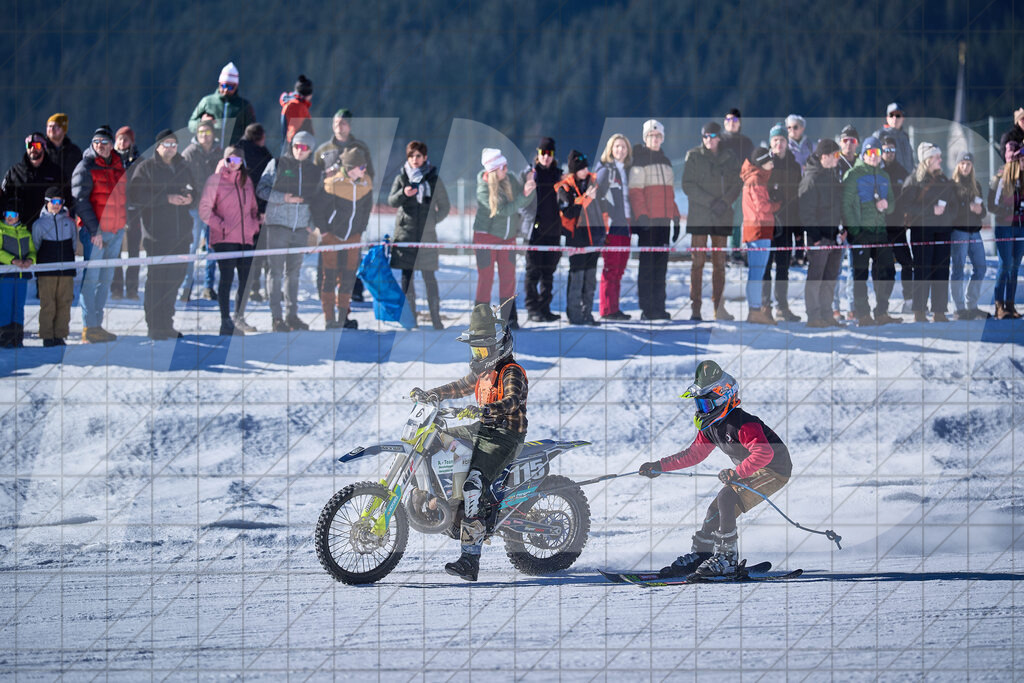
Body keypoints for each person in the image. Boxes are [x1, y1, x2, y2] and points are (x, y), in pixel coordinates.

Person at [639, 360, 792, 578]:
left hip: (774, 470)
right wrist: (659, 466)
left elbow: (764, 453)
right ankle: (702, 555)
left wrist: (736, 473)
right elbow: (693, 454)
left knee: (726, 497)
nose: (701, 410)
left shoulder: (742, 423)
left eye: (705, 405)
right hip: (752, 470)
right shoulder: (710, 428)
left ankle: (727, 559)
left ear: (723, 400)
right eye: (698, 405)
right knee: (715, 512)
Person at [409, 303, 528, 582]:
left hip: (504, 435)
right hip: (481, 429)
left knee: (474, 484)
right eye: (475, 350)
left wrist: (487, 410)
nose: (478, 356)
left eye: (483, 351)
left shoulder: (511, 371)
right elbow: (459, 386)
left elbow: (512, 400)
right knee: (432, 442)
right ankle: (439, 502)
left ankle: (470, 559)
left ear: (499, 346)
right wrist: (431, 394)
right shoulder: (482, 372)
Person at [127, 129, 194, 340]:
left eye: (174, 144)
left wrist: (190, 197)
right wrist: (166, 198)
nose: (171, 148)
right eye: (167, 144)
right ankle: (155, 326)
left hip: (182, 234)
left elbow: (195, 188)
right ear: (158, 146)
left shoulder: (183, 166)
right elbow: (136, 195)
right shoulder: (146, 168)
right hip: (157, 235)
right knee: (157, 282)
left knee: (174, 281)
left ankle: (167, 324)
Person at [257, 130, 320, 332]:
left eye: (304, 147)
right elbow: (261, 189)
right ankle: (276, 318)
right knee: (275, 273)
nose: (299, 150)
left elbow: (317, 200)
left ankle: (292, 316)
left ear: (310, 150)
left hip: (301, 229)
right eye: (296, 146)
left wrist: (312, 225)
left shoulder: (314, 171)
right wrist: (283, 198)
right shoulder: (278, 164)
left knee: (293, 274)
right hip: (277, 226)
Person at [387, 141, 450, 330]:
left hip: (427, 236)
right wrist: (404, 193)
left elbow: (445, 206)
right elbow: (392, 201)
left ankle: (436, 318)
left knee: (429, 278)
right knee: (407, 279)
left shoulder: (434, 180)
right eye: (411, 156)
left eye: (418, 156)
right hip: (405, 235)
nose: (414, 159)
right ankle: (411, 318)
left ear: (425, 158)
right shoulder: (401, 178)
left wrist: (432, 221)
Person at [72, 126, 127, 343]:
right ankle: (89, 326)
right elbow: (80, 201)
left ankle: (98, 325)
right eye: (96, 142)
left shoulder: (118, 165)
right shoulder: (85, 166)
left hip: (116, 231)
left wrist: (124, 222)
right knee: (91, 279)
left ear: (111, 145)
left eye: (104, 142)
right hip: (95, 233)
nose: (100, 146)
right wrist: (94, 230)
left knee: (106, 280)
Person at [681, 122, 741, 320]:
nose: (708, 139)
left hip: (722, 216)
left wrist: (725, 202)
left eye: (712, 136)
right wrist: (710, 202)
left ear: (719, 138)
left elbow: (737, 183)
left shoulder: (730, 158)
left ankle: (719, 307)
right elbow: (687, 185)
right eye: (705, 136)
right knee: (697, 263)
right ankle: (695, 308)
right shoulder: (694, 156)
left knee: (719, 265)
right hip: (700, 216)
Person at [314, 109, 375, 303]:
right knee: (327, 257)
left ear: (350, 125)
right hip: (329, 213)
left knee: (351, 256)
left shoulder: (361, 148)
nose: (339, 127)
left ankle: (354, 290)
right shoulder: (323, 150)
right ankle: (324, 292)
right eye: (336, 123)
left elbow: (369, 177)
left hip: (353, 209)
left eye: (343, 123)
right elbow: (314, 179)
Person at [199, 146, 261, 335]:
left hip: (245, 238)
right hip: (224, 238)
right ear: (224, 160)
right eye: (230, 160)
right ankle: (225, 321)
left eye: (237, 160)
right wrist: (223, 226)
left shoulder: (247, 181)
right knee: (226, 278)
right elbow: (204, 210)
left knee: (246, 279)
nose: (233, 164)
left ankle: (238, 318)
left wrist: (254, 226)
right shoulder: (215, 180)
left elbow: (253, 208)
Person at [472, 148, 535, 326]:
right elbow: (501, 211)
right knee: (486, 278)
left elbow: (524, 198)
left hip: (508, 237)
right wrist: (523, 196)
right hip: (485, 237)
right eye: (503, 167)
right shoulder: (483, 189)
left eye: (506, 166)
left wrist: (529, 184)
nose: (507, 169)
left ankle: (508, 317)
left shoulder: (510, 179)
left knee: (508, 278)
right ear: (494, 170)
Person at [841, 137, 897, 327]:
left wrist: (887, 205)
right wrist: (855, 231)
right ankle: (863, 314)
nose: (874, 156)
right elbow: (846, 205)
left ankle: (882, 311)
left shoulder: (884, 176)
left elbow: (892, 204)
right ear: (864, 154)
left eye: (878, 152)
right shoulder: (853, 174)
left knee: (887, 271)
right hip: (861, 232)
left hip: (880, 231)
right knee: (860, 275)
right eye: (870, 152)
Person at [318, 145, 374, 330]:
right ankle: (329, 318)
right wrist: (324, 231)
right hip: (332, 237)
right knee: (330, 277)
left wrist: (360, 230)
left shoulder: (365, 184)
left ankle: (343, 317)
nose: (365, 170)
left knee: (348, 277)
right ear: (351, 168)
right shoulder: (332, 184)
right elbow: (318, 209)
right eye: (362, 167)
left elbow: (366, 210)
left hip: (353, 238)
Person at [629, 119, 681, 320]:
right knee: (647, 266)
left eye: (658, 136)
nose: (655, 139)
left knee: (661, 266)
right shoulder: (640, 160)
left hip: (663, 222)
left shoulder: (666, 162)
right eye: (651, 136)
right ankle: (647, 308)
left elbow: (670, 194)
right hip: (648, 222)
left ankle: (659, 306)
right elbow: (635, 192)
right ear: (645, 138)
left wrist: (675, 217)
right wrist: (641, 215)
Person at [901, 143, 955, 322]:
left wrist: (947, 216)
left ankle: (939, 311)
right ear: (927, 159)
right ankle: (919, 311)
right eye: (936, 156)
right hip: (922, 231)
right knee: (922, 270)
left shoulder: (943, 180)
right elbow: (906, 205)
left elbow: (954, 206)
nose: (940, 159)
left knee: (942, 271)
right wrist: (931, 210)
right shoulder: (914, 180)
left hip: (942, 232)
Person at [798, 139, 845, 327]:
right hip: (818, 238)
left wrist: (842, 230)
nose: (838, 158)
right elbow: (805, 213)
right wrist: (816, 238)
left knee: (830, 277)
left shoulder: (831, 175)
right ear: (824, 156)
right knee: (816, 277)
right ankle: (814, 316)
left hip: (834, 235)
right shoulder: (811, 179)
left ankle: (827, 314)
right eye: (836, 155)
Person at [556, 150, 605, 325]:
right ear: (574, 170)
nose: (585, 171)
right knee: (577, 278)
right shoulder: (565, 187)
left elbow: (604, 206)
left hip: (594, 238)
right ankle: (575, 315)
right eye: (580, 168)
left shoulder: (595, 183)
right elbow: (568, 211)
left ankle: (588, 313)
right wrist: (586, 199)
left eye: (586, 167)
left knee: (590, 279)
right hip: (576, 239)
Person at [519, 137, 563, 323]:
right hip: (534, 231)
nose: (546, 157)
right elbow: (520, 203)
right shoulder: (529, 174)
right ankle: (532, 308)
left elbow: (564, 201)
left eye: (549, 153)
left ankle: (545, 308)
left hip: (553, 230)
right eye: (543, 153)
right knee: (533, 272)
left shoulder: (558, 175)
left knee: (548, 273)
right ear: (538, 154)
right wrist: (530, 216)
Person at [180, 120, 221, 302]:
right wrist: (187, 194)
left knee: (212, 248)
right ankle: (186, 287)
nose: (204, 135)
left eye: (207, 132)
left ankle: (208, 286)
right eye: (201, 132)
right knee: (192, 247)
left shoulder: (219, 153)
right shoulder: (189, 153)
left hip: (213, 209)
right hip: (194, 209)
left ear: (213, 134)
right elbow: (180, 177)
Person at [765, 123, 802, 322]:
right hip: (767, 223)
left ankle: (782, 307)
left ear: (787, 143)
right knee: (765, 267)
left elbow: (798, 198)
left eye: (782, 140)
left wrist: (798, 231)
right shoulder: (765, 164)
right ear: (771, 143)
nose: (779, 143)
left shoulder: (794, 166)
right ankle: (765, 307)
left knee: (783, 268)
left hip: (787, 223)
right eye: (775, 140)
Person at [31, 188, 77, 346]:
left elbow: (73, 244)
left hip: (66, 269)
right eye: (54, 201)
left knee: (65, 301)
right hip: (47, 269)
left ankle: (60, 335)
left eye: (60, 202)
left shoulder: (69, 223)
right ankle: (47, 335)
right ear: (47, 202)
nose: (57, 205)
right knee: (48, 303)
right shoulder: (39, 224)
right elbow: (36, 245)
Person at [741, 147, 780, 325]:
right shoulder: (756, 180)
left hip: (759, 229)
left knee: (757, 271)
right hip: (758, 230)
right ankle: (755, 310)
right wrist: (777, 204)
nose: (772, 164)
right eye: (769, 161)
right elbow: (761, 206)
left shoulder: (757, 179)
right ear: (761, 163)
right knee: (757, 272)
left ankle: (755, 309)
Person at [595, 133, 633, 320]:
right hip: (612, 225)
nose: (620, 150)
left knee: (620, 268)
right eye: (617, 146)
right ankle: (606, 309)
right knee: (610, 267)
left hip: (626, 224)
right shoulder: (606, 170)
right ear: (610, 149)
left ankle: (614, 308)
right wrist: (605, 219)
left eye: (623, 147)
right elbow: (597, 196)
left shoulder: (626, 170)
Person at [236, 123, 274, 303]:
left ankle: (250, 287)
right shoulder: (262, 155)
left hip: (239, 210)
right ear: (259, 137)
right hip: (258, 210)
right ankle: (260, 288)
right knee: (261, 251)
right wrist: (263, 210)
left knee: (248, 252)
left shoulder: (236, 152)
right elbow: (265, 184)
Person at [949, 153, 988, 320]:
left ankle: (972, 305)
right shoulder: (952, 185)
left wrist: (980, 210)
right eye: (963, 163)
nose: (965, 167)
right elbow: (951, 212)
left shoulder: (976, 185)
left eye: (969, 164)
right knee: (958, 269)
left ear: (972, 166)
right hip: (959, 231)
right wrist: (968, 208)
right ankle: (959, 308)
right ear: (958, 165)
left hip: (975, 231)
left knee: (981, 267)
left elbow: (983, 211)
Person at [988, 141, 1024, 319]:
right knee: (1005, 265)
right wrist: (1010, 210)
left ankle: (1010, 304)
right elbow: (991, 205)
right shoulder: (1001, 178)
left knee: (1015, 267)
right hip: (1005, 227)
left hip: (1021, 228)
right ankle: (999, 305)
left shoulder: (1023, 179)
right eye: (1022, 159)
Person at [188, 62, 257, 147]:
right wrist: (202, 123)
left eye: (230, 87)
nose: (226, 90)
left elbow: (252, 131)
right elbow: (191, 124)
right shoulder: (207, 102)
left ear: (236, 86)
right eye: (223, 86)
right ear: (219, 83)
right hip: (210, 150)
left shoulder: (244, 106)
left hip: (234, 151)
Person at [1, 133, 65, 224]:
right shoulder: (14, 172)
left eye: (37, 145)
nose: (32, 149)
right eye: (29, 145)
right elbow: (4, 198)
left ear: (44, 147)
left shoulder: (55, 172)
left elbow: (66, 196)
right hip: (20, 227)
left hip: (48, 226)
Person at [881, 136, 912, 313]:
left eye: (892, 150)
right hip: (882, 228)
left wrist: (907, 215)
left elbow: (908, 197)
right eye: (886, 150)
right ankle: (882, 304)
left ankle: (909, 301)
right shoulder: (877, 171)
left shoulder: (902, 172)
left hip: (898, 227)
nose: (889, 153)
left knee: (907, 263)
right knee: (886, 268)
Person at [110, 126, 142, 300]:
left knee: (134, 250)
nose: (122, 142)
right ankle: (116, 287)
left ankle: (132, 288)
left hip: (133, 210)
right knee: (115, 249)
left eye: (126, 139)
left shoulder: (138, 160)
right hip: (114, 211)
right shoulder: (109, 158)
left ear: (131, 142)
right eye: (120, 138)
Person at [0, 201, 36, 348]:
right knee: (5, 306)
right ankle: (4, 337)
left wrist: (30, 260)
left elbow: (32, 251)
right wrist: (12, 260)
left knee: (19, 306)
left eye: (13, 214)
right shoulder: (1, 230)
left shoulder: (26, 233)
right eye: (7, 214)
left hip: (21, 276)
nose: (10, 217)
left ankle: (17, 337)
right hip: (6, 276)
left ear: (18, 216)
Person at [721, 109, 754, 261]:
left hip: (741, 186)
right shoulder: (719, 141)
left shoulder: (746, 142)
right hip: (721, 186)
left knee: (737, 220)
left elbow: (752, 164)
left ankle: (734, 251)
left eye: (734, 120)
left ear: (739, 123)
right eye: (728, 120)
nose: (731, 123)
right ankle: (720, 252)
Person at [44, 113, 83, 189]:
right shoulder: (41, 149)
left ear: (64, 129)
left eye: (56, 126)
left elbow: (81, 175)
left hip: (69, 193)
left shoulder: (74, 151)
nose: (52, 129)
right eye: (49, 126)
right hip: (45, 193)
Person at [873, 102, 914, 174]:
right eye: (891, 115)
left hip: (907, 177)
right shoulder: (879, 135)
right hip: (888, 177)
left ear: (903, 118)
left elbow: (911, 159)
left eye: (898, 115)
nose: (895, 118)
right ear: (887, 118)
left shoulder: (905, 136)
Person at [280, 74, 314, 145]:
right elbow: (295, 131)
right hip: (298, 146)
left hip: (292, 144)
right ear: (307, 94)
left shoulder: (290, 102)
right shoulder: (298, 106)